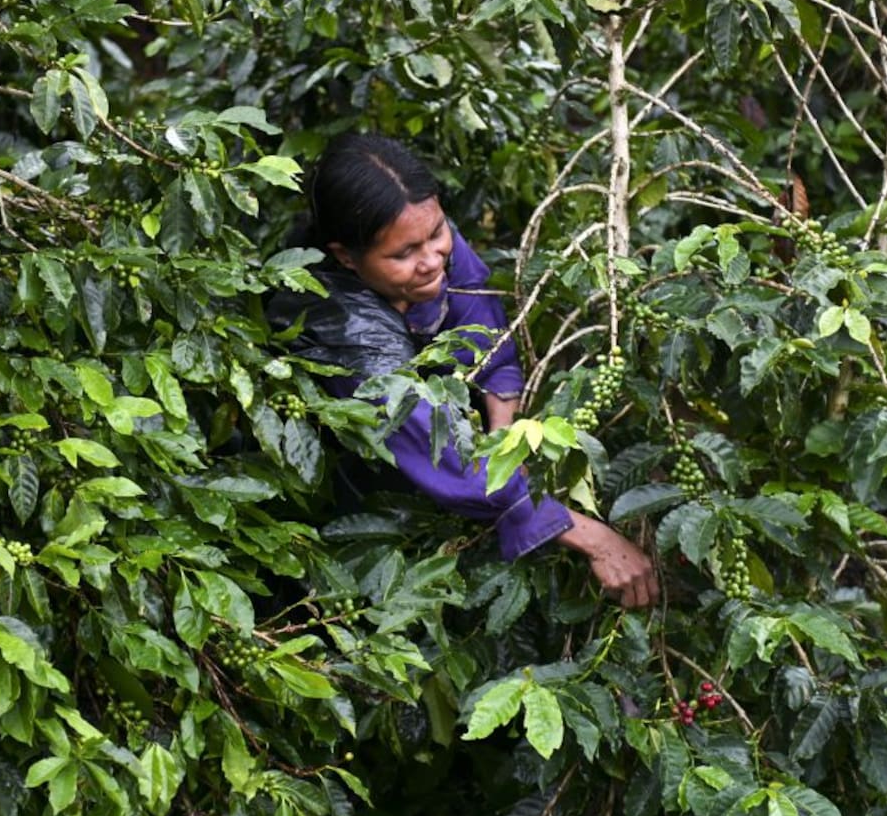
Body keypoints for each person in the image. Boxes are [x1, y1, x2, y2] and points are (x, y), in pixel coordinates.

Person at [266, 133, 659, 609]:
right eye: (403, 254)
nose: (432, 260)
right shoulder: (352, 337)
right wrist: (587, 535)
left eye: (436, 234)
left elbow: (480, 316)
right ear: (347, 256)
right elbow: (443, 453)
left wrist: (504, 434)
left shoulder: (420, 230)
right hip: (349, 499)